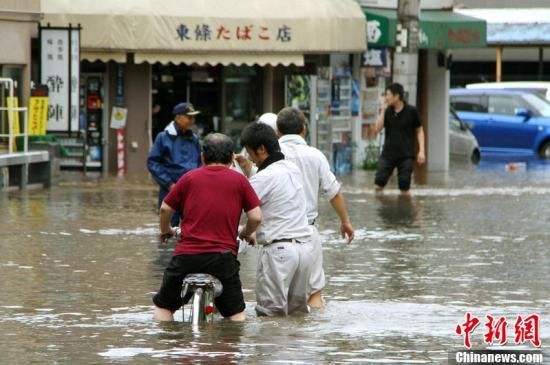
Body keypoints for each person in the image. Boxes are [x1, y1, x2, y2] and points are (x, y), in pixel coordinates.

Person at [153, 133, 262, 322]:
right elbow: (256, 216)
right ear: (231, 159)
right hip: (223, 259)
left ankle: (168, 346)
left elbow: (164, 209)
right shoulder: (240, 181)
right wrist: (246, 233)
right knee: (235, 314)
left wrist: (166, 230)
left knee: (164, 307)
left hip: (186, 258)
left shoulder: (188, 178)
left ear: (202, 156)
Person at [276, 107, 355, 308]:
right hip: (307, 232)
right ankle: (311, 338)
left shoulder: (271, 155)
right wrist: (345, 222)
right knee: (314, 295)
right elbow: (333, 193)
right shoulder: (316, 155)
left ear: (278, 131)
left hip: (276, 235)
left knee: (276, 301)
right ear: (304, 130)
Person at [240, 122, 316, 316]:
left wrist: (246, 232)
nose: (250, 158)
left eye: (250, 152)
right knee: (298, 314)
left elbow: (248, 212)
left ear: (262, 149)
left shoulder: (263, 179)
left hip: (279, 253)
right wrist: (250, 170)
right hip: (306, 251)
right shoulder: (292, 168)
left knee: (270, 316)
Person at [147, 102, 202, 227]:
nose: (192, 121)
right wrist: (169, 184)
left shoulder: (194, 139)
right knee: (169, 228)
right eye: (189, 117)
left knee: (192, 227)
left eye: (193, 117)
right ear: (178, 118)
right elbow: (152, 162)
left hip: (191, 191)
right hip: (170, 190)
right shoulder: (163, 138)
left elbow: (200, 163)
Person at [367, 83, 425, 196]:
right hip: (388, 154)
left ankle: (405, 210)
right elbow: (378, 129)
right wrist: (382, 109)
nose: (386, 97)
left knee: (404, 187)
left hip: (406, 154)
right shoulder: (388, 112)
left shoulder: (411, 111)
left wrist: (421, 150)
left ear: (396, 96)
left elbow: (419, 131)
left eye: (388, 94)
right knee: (378, 184)